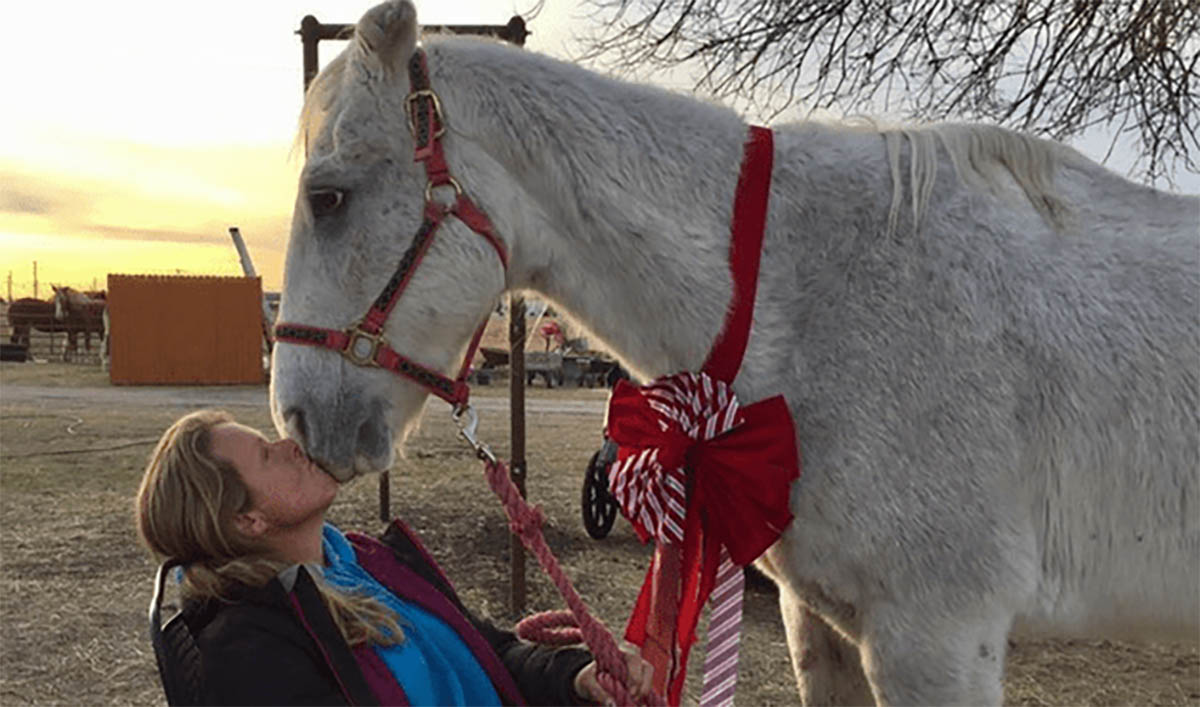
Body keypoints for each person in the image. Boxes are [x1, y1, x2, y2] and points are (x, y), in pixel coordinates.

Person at [136, 409, 654, 706]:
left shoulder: (364, 561)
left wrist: (575, 678)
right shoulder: (247, 652)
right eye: (267, 455)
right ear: (246, 520)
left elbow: (492, 653)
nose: (290, 444)